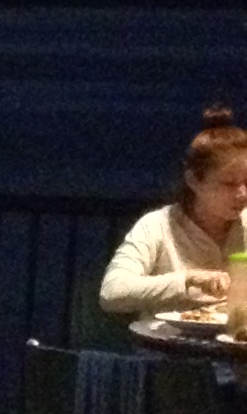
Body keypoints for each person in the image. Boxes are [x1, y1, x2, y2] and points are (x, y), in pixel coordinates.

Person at [99, 106, 247, 319]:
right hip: (165, 340)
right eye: (229, 184)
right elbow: (112, 292)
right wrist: (186, 280)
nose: (242, 194)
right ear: (193, 181)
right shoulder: (157, 226)